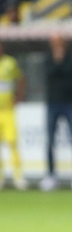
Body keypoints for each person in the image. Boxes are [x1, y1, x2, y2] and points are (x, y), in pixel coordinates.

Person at [41, 33, 72, 192]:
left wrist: (60, 65)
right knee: (50, 140)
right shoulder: (48, 59)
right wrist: (57, 64)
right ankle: (51, 175)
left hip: (69, 103)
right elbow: (48, 76)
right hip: (53, 104)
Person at [0, 43, 26, 190]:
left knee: (12, 143)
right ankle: (1, 177)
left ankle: (18, 176)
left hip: (8, 110)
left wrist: (19, 96)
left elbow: (21, 78)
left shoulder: (10, 63)